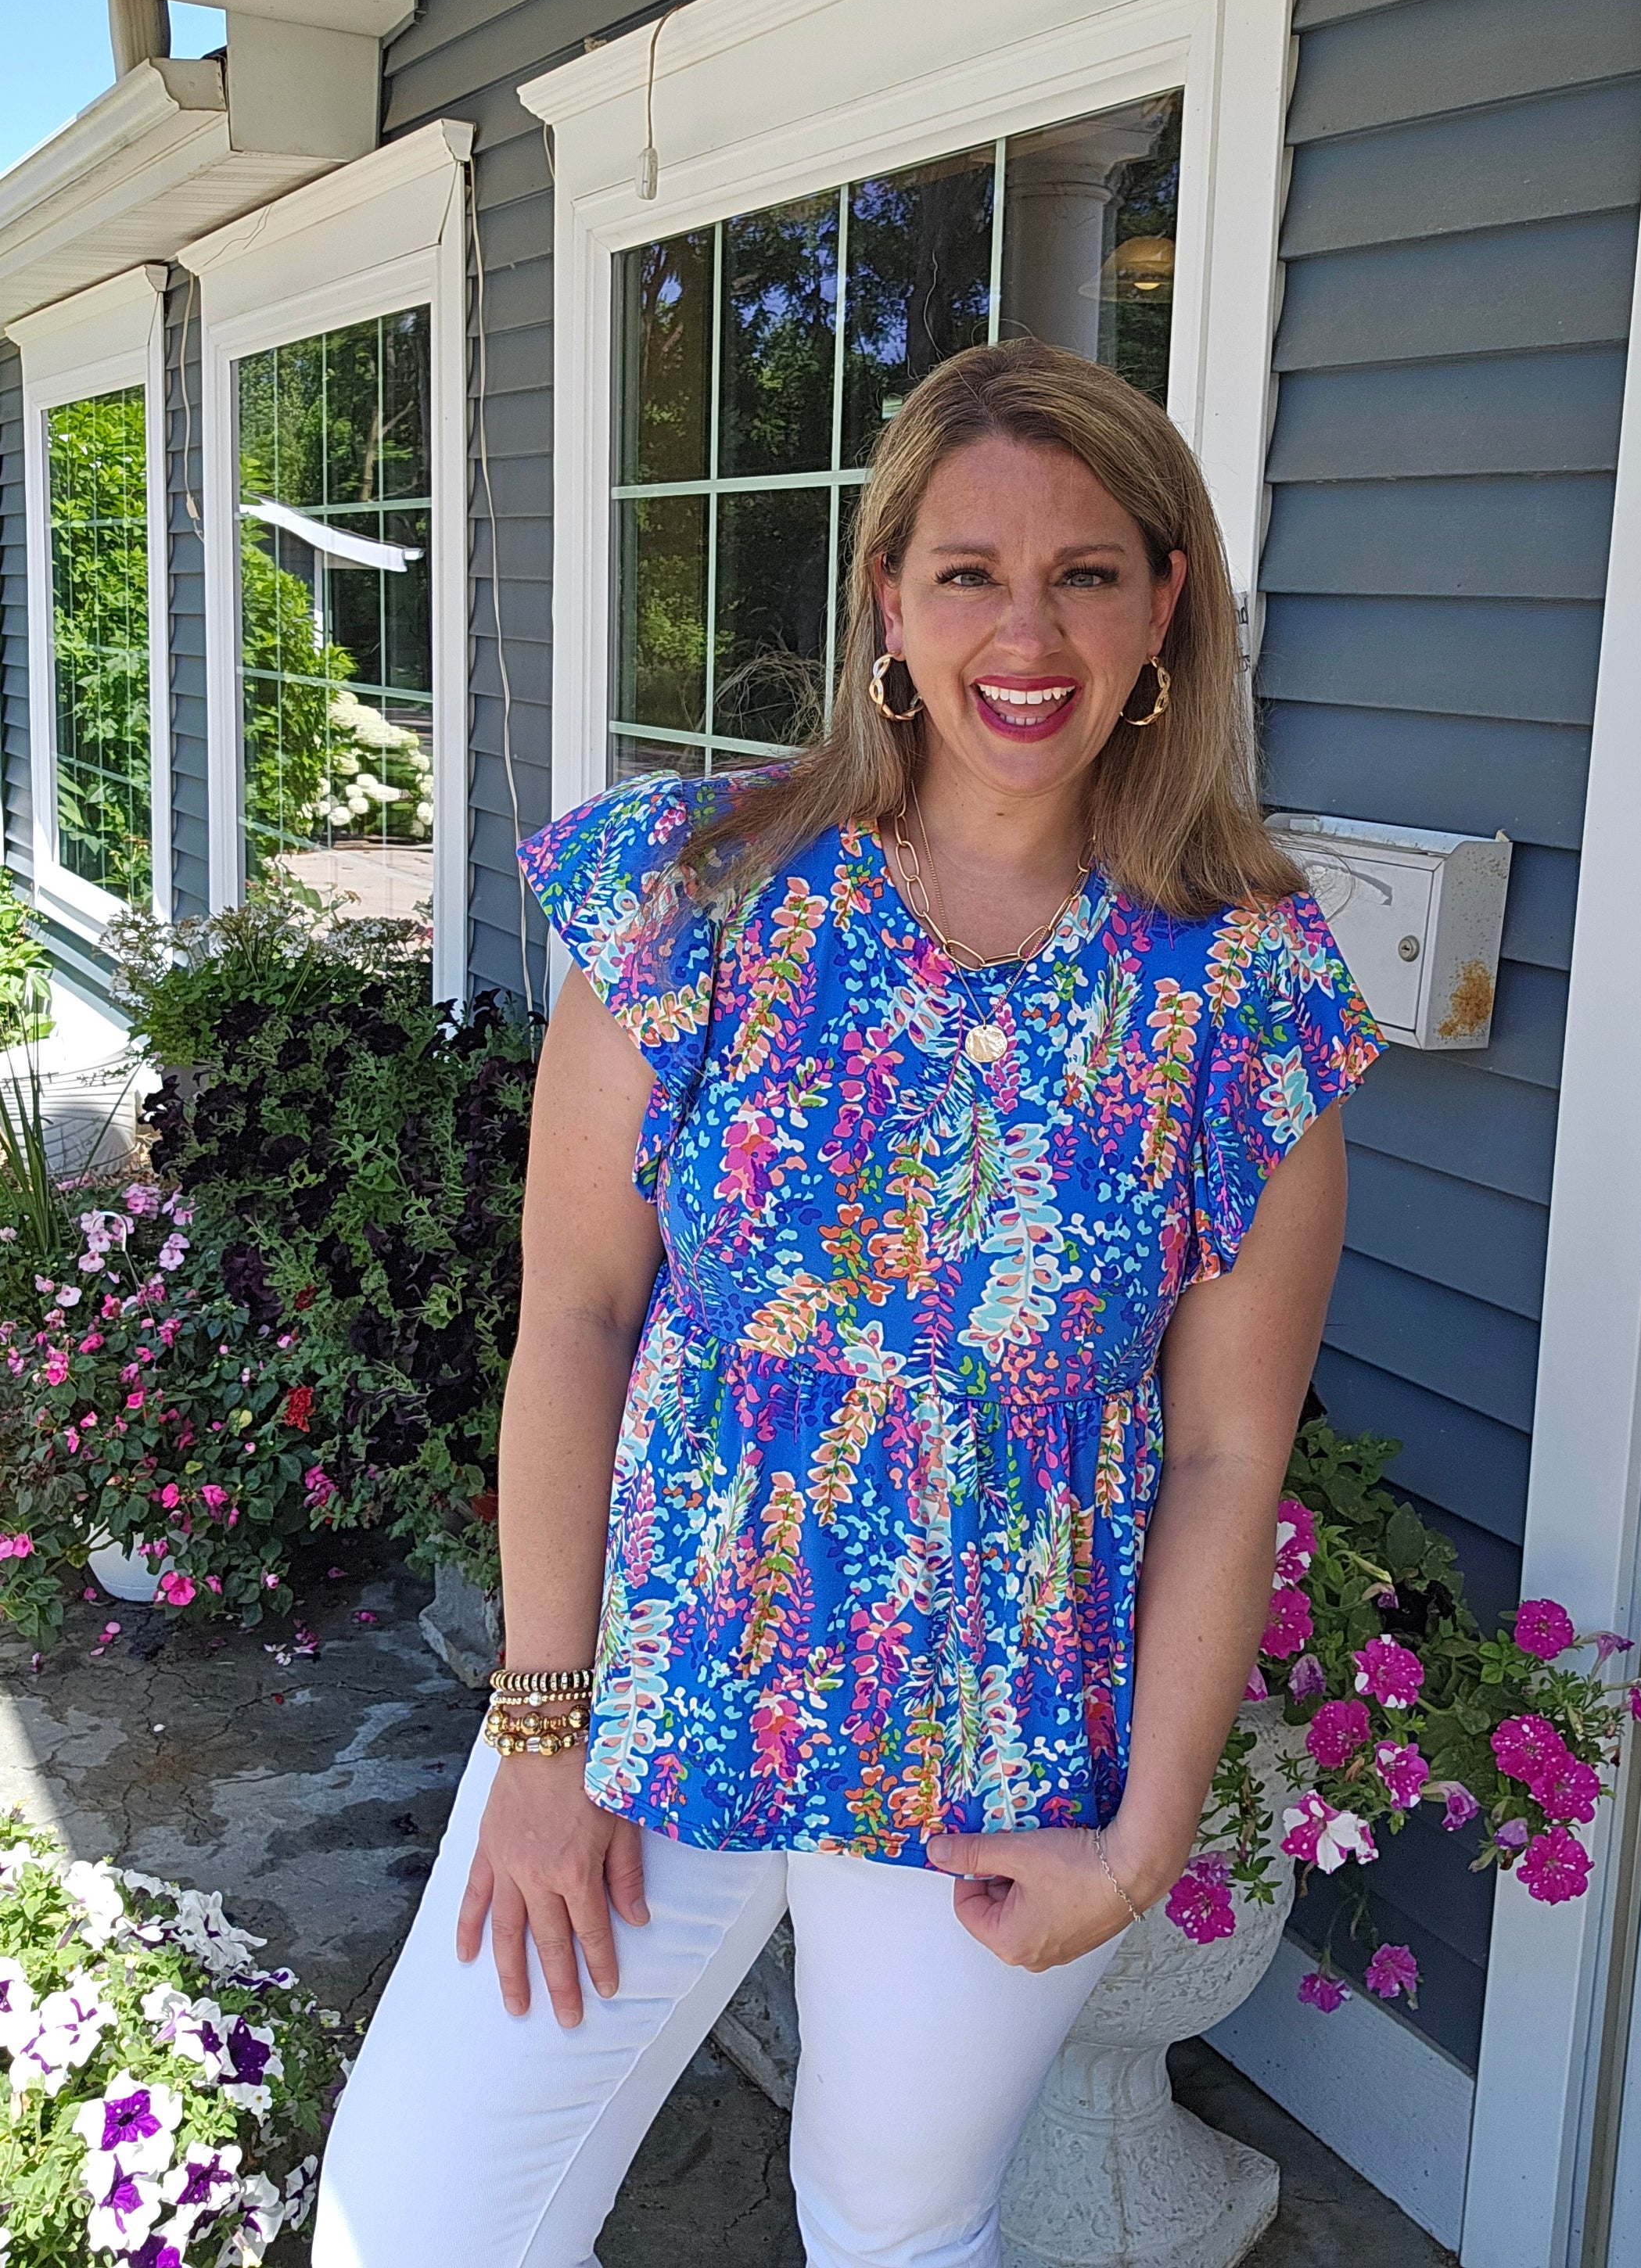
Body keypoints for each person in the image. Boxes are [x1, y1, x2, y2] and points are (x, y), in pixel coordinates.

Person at [311, 339, 1382, 2268]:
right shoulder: (701, 890)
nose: (1025, 633)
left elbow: (1232, 1450)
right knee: (422, 2213)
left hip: (999, 1733)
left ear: (1166, 609)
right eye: (969, 571)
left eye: (1086, 573)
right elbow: (577, 1315)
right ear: (888, 599)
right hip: (654, 1685)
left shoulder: (1247, 988)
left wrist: (1139, 1846)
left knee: (897, 2222)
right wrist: (540, 1737)